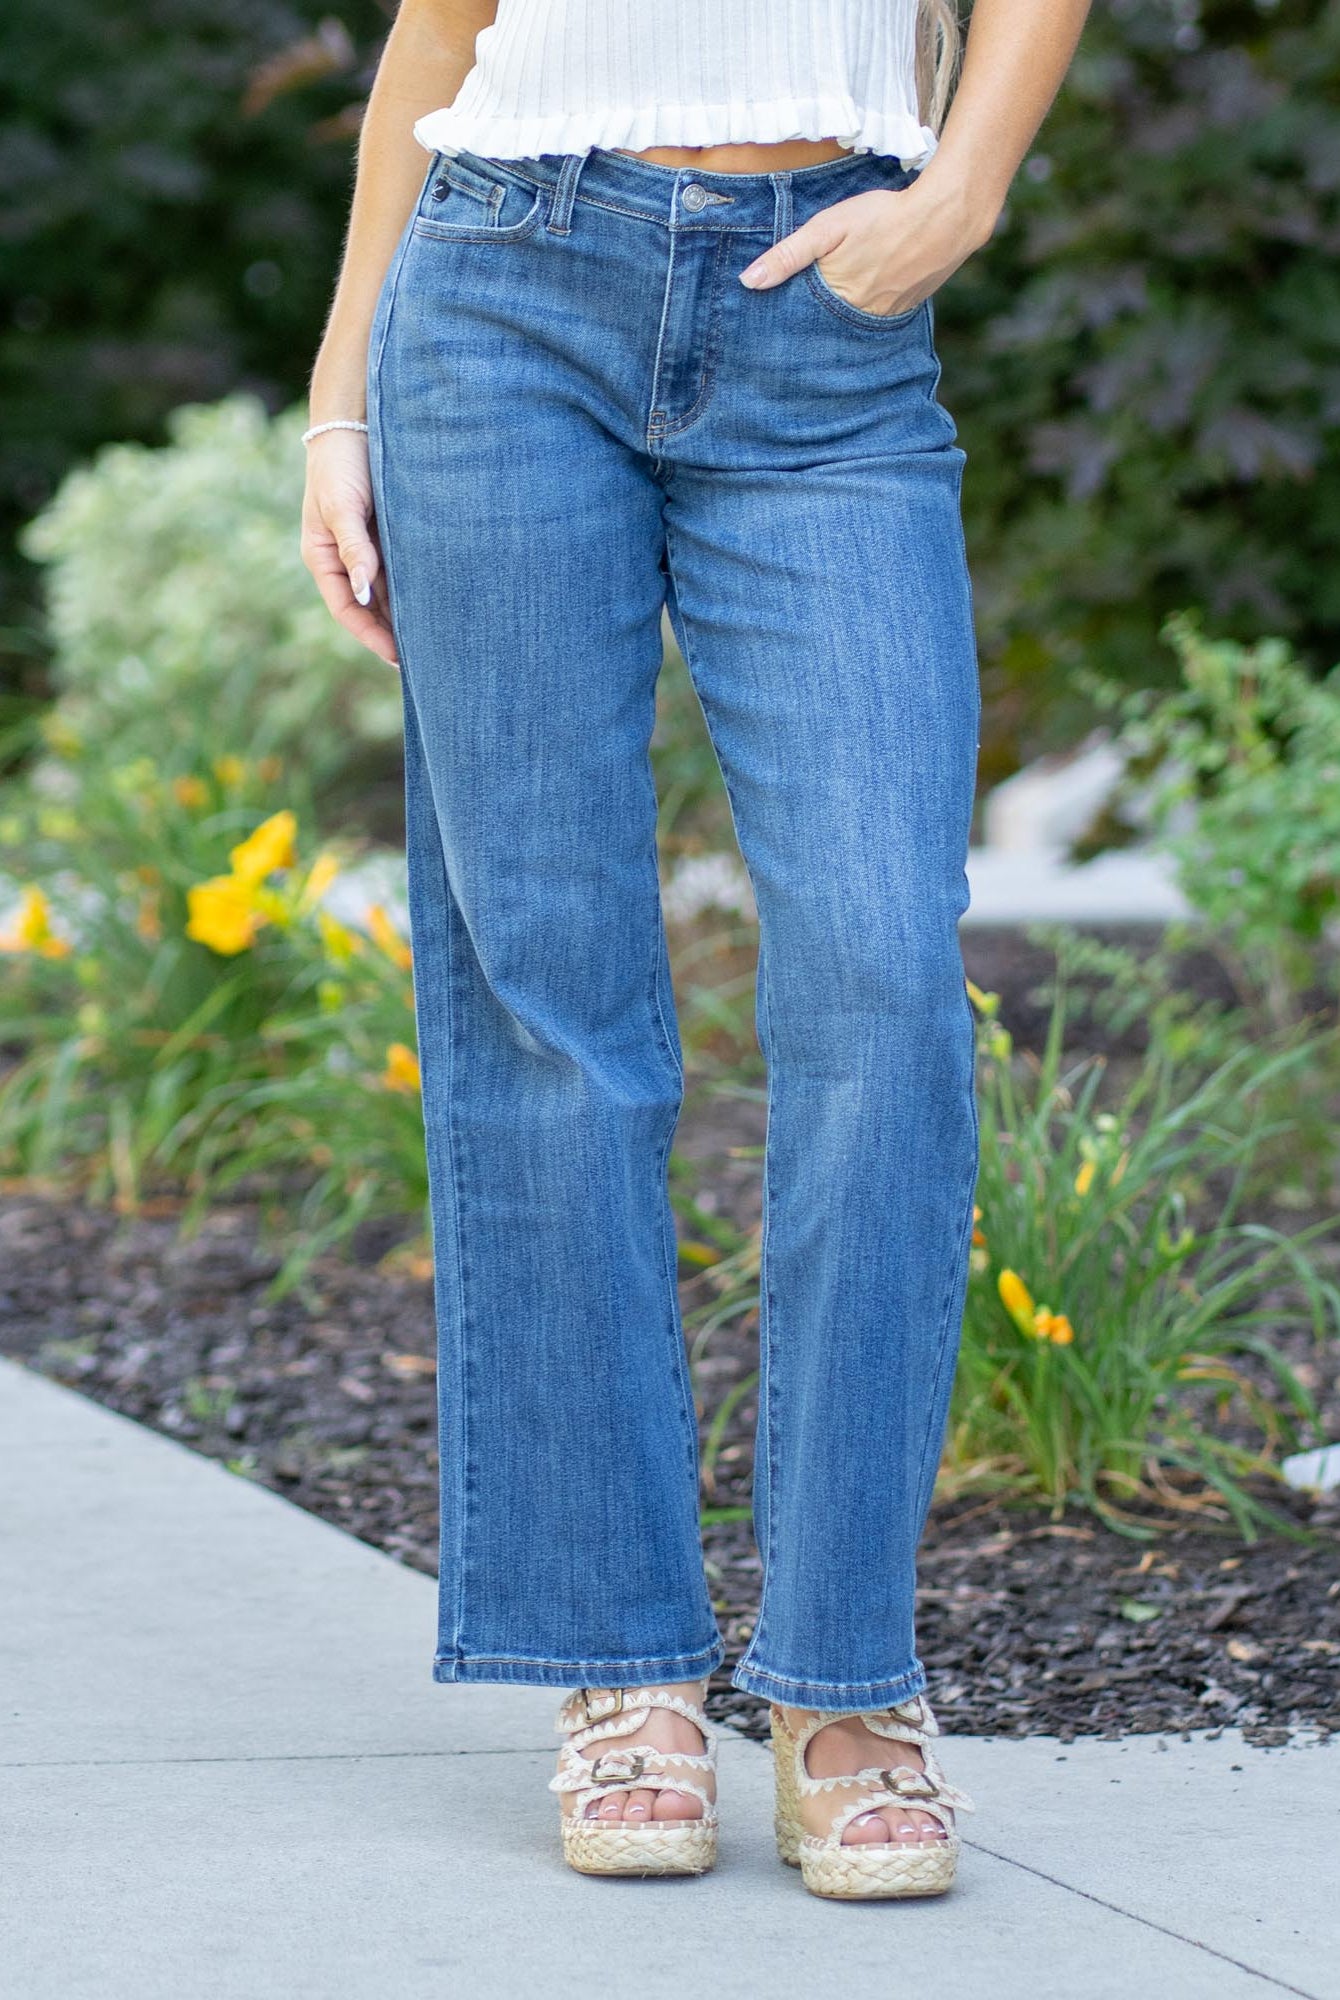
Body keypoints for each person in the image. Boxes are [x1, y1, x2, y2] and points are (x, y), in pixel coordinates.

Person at [301, 0, 1090, 1899]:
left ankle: (846, 1677)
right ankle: (618, 1664)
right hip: (499, 295)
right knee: (547, 1007)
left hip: (831, 314)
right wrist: (339, 402)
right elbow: (440, 30)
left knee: (884, 974)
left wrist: (965, 186)